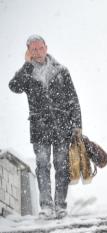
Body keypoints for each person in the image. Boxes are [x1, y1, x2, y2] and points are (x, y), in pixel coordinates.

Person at [9, 35, 82, 219]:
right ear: (28, 52)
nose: (38, 52)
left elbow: (73, 99)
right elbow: (14, 86)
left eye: (40, 48)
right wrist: (26, 65)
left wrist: (77, 125)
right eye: (34, 50)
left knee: (61, 165)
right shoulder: (27, 73)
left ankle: (60, 205)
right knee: (42, 165)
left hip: (61, 125)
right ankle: (46, 206)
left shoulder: (61, 70)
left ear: (46, 47)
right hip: (39, 127)